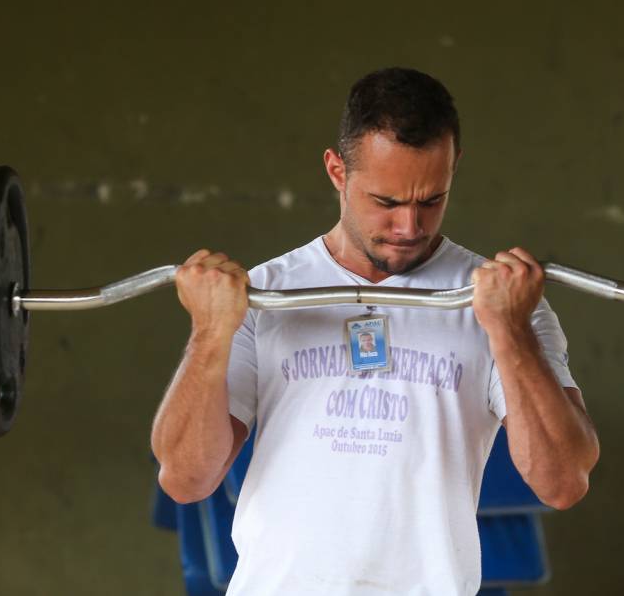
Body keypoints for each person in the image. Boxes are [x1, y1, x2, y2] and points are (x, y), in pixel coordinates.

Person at [151, 67, 600, 595]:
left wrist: (509, 333)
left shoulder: (502, 303)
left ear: (455, 167)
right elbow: (185, 479)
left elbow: (564, 482)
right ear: (337, 171)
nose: (410, 228)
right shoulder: (265, 294)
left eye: (431, 199)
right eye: (386, 202)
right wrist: (209, 334)